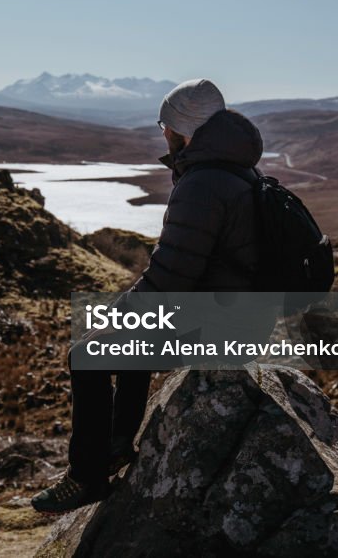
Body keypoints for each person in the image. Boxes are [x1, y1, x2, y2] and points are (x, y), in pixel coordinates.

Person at [31, 78, 264, 514]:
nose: (163, 134)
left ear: (181, 130)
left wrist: (113, 318)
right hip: (239, 317)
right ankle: (117, 446)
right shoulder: (239, 169)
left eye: (164, 126)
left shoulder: (202, 184)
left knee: (86, 355)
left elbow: (169, 281)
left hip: (219, 326)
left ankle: (85, 476)